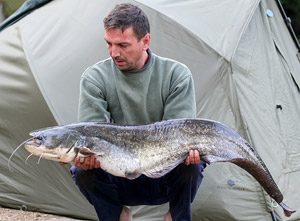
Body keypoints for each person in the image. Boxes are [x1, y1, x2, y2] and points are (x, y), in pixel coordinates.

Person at [70, 3, 206, 221]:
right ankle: (117, 216)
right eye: (109, 44)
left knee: (193, 163)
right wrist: (85, 157)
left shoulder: (176, 75)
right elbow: (92, 137)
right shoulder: (94, 78)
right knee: (82, 171)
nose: (114, 53)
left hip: (164, 173)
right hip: (118, 174)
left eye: (123, 45)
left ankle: (175, 217)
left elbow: (177, 139)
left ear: (145, 41)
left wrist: (187, 154)